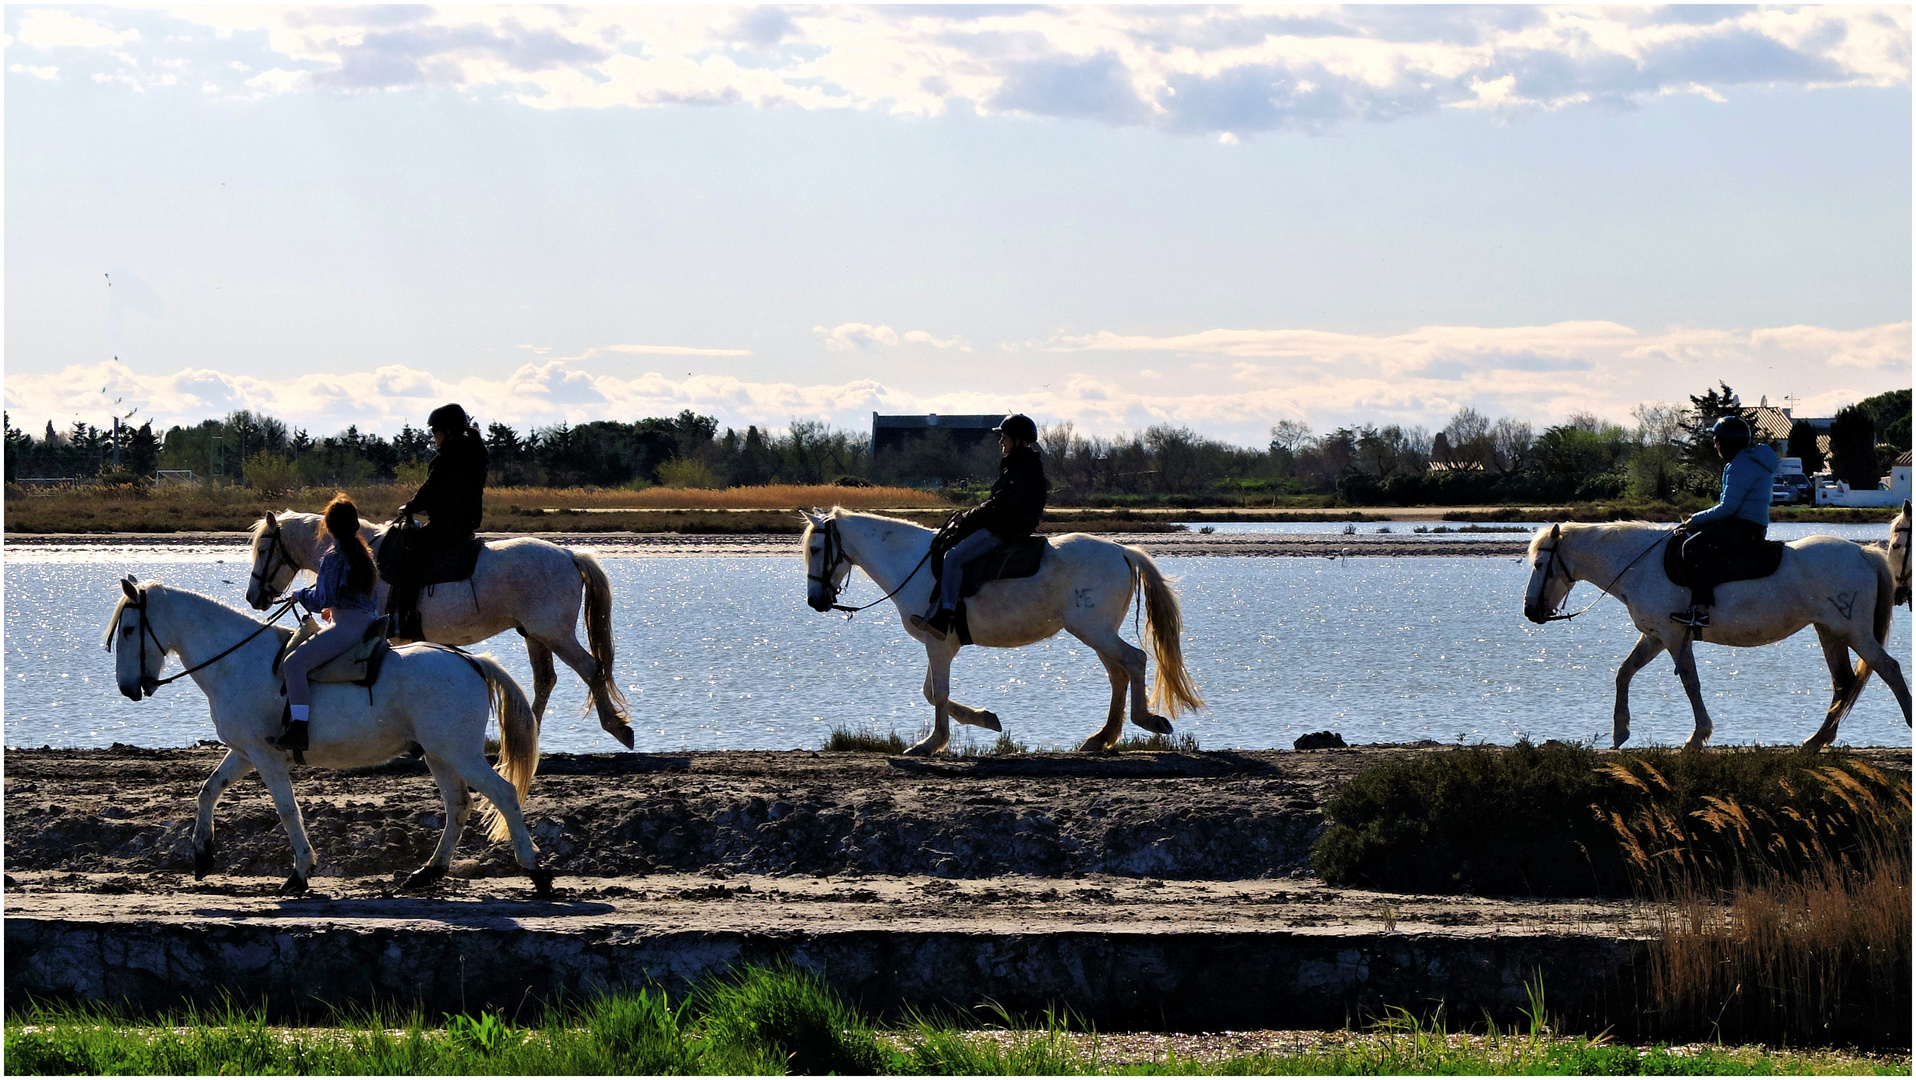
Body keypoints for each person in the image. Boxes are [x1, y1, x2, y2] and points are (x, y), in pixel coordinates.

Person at [910, 414, 1047, 637]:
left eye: (1004, 437)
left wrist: (968, 516)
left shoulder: (1019, 468)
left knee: (952, 557)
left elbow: (1000, 505)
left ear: (1017, 440)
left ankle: (945, 617)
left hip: (1005, 530)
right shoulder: (1020, 465)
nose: (1001, 441)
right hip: (1006, 525)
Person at [274, 493, 381, 752]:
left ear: (329, 528)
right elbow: (356, 596)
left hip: (349, 628)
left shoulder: (334, 558)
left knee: (294, 663)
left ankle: (299, 730)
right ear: (354, 526)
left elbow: (321, 599)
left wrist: (299, 595)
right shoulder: (364, 553)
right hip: (369, 622)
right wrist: (334, 608)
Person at [1671, 415, 1779, 628]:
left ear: (1728, 443)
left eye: (1717, 440)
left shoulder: (1740, 465)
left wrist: (1695, 519)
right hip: (1751, 525)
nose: (1715, 444)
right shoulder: (1752, 460)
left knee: (1692, 547)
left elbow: (1728, 508)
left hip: (1742, 526)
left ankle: (1700, 610)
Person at [388, 404, 489, 632]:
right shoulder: (475, 452)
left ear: (448, 430)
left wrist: (409, 507)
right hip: (467, 524)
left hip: (446, 526)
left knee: (409, 561)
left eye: (435, 431)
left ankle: (407, 618)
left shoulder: (448, 455)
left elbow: (430, 488)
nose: (434, 437)